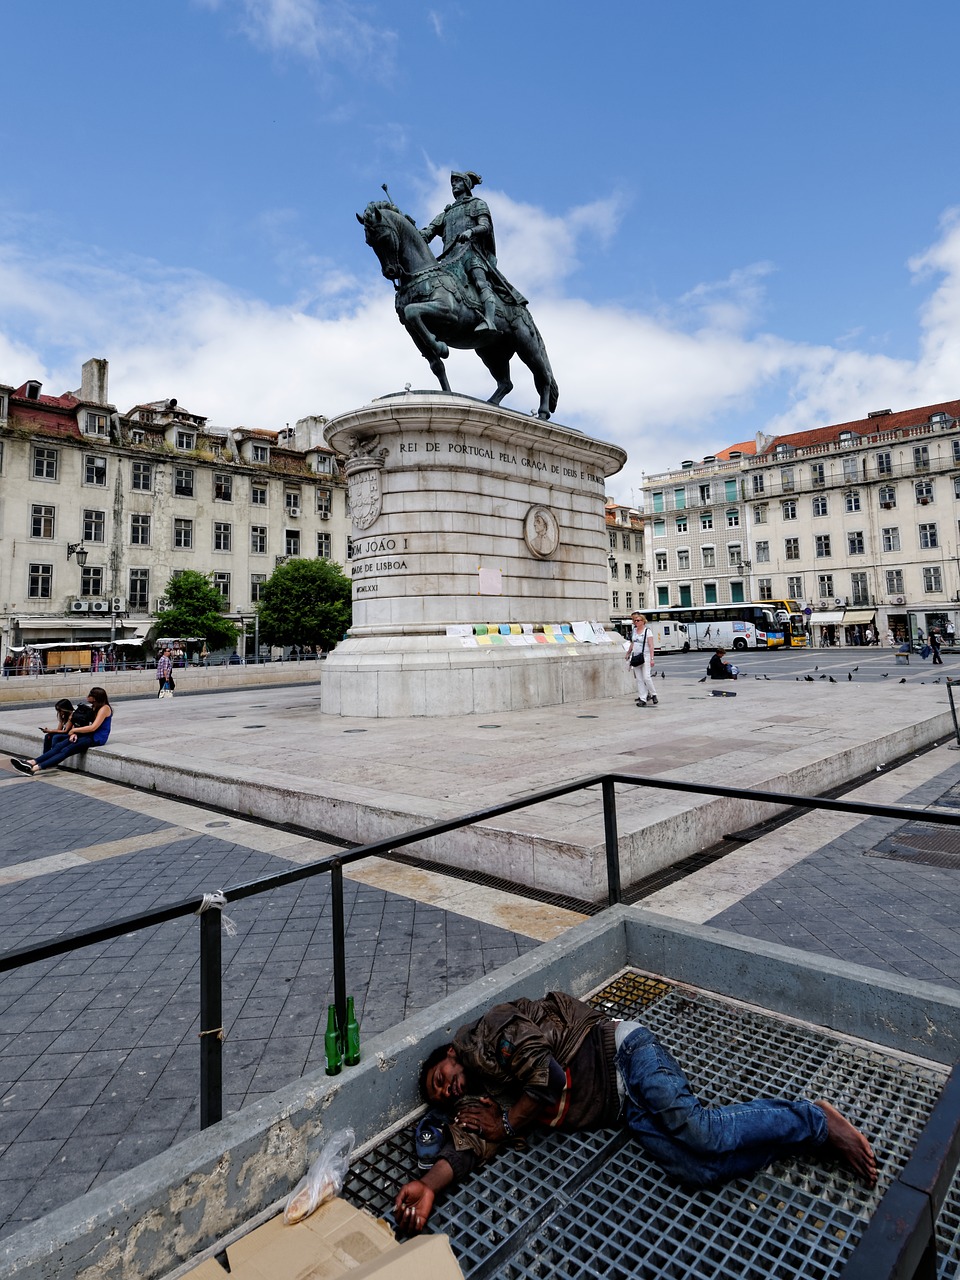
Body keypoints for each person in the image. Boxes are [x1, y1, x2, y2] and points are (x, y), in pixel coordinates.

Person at [394, 991, 876, 1234]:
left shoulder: (487, 1035)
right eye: (443, 1096)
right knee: (697, 1168)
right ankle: (804, 1136)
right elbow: (469, 1148)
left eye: (442, 1077)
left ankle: (813, 1118)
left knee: (702, 1132)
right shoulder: (487, 1099)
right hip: (624, 1108)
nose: (449, 1088)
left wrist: (503, 1123)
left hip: (623, 1052)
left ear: (451, 1053)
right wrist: (429, 1187)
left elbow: (548, 1075)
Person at [420, 171, 527, 338]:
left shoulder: (477, 204)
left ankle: (490, 320)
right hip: (449, 259)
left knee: (480, 282)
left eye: (457, 181)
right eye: (452, 182)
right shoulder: (446, 213)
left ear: (466, 185)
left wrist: (471, 231)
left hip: (471, 253)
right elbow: (429, 232)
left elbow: (485, 226)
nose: (453, 185)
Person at [11, 687, 113, 776]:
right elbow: (87, 725)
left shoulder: (104, 708)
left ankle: (34, 769)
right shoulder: (94, 707)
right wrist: (76, 733)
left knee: (66, 750)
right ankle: (31, 762)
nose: (87, 696)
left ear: (96, 698)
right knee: (59, 746)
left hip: (96, 738)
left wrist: (74, 730)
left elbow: (93, 728)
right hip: (87, 734)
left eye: (90, 694)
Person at [626, 611, 657, 707]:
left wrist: (652, 658)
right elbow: (633, 642)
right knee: (639, 679)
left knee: (646, 677)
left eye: (638, 620)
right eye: (635, 620)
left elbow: (651, 645)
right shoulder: (634, 630)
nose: (636, 622)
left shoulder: (647, 631)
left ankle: (653, 694)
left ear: (643, 621)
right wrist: (628, 652)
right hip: (636, 656)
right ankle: (642, 698)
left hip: (646, 656)